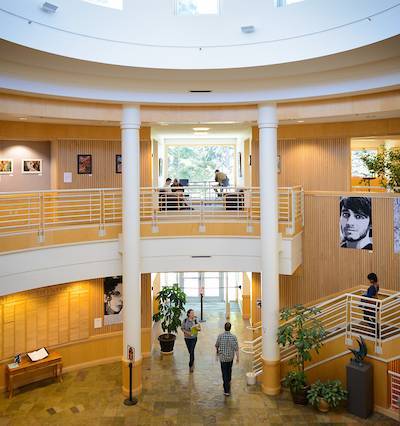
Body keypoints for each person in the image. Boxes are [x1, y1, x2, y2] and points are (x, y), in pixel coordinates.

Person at [215, 322, 239, 396]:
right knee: (229, 370)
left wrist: (217, 353)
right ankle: (228, 381)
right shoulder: (234, 337)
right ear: (230, 328)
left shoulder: (220, 336)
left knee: (224, 372)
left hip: (223, 358)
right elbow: (236, 349)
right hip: (230, 358)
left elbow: (216, 345)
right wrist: (238, 358)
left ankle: (226, 390)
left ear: (224, 328)